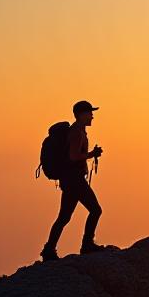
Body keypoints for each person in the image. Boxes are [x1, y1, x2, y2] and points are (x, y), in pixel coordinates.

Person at [40, 100, 106, 260]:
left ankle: (49, 250)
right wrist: (91, 154)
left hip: (69, 180)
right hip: (74, 180)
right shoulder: (77, 132)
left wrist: (90, 154)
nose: (92, 117)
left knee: (64, 217)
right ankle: (87, 245)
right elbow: (74, 156)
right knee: (96, 210)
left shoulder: (78, 130)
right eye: (90, 113)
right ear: (82, 115)